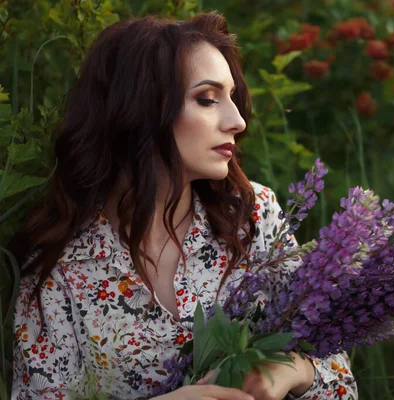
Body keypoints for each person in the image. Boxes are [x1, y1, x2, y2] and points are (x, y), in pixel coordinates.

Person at [8, 12, 357, 400]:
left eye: (232, 98)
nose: (237, 120)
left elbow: (340, 380)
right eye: (207, 99)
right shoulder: (60, 266)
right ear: (140, 107)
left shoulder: (253, 215)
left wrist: (293, 371)